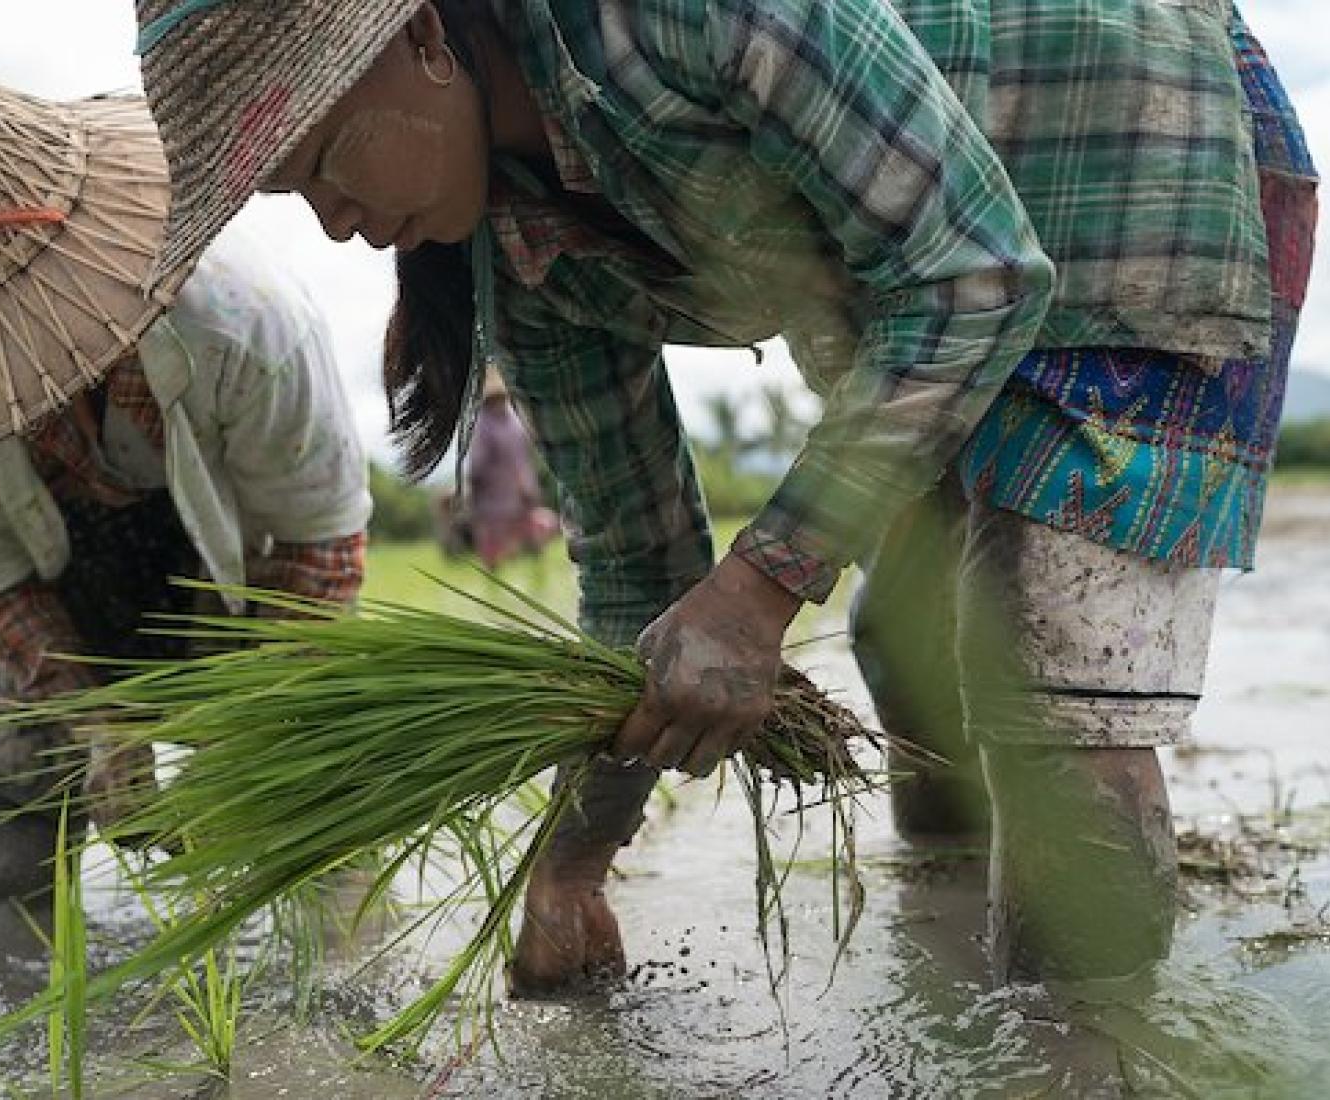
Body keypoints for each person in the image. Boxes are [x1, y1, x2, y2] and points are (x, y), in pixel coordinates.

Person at [127, 0, 1313, 990]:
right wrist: (573, 864)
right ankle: (953, 957)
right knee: (909, 642)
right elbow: (640, 575)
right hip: (927, 252)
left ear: (426, 40)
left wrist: (760, 585)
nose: (338, 226)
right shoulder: (530, 262)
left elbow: (974, 276)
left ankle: (1071, 1043)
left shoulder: (671, 15)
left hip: (1127, 135)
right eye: (298, 198)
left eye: (330, 162)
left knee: (1049, 690)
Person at [0, 58, 373, 914]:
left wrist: (248, 720)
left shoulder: (242, 320)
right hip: (65, 579)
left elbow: (322, 545)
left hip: (255, 568)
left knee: (315, 802)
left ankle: (339, 996)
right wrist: (99, 726)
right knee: (19, 825)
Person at [463, 368, 557, 569]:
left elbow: (478, 463)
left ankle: (514, 566)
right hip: (506, 491)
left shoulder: (490, 422)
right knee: (502, 537)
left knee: (503, 535)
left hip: (504, 492)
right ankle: (510, 568)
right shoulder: (511, 419)